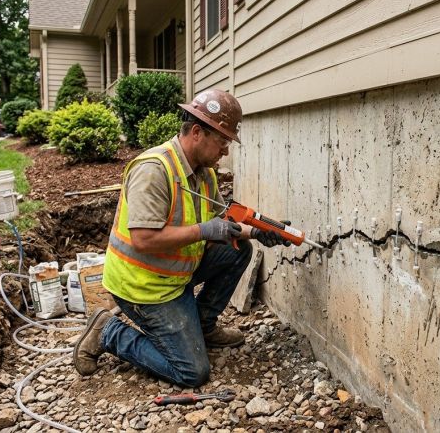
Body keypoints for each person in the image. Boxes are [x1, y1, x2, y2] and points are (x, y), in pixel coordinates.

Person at [73, 89, 291, 387]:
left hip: (174, 273)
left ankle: (202, 325)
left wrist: (260, 231)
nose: (226, 150)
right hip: (143, 285)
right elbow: (144, 240)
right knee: (191, 372)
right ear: (198, 132)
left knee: (239, 250)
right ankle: (108, 330)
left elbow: (222, 226)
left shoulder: (205, 173)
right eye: (223, 141)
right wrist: (205, 230)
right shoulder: (154, 170)